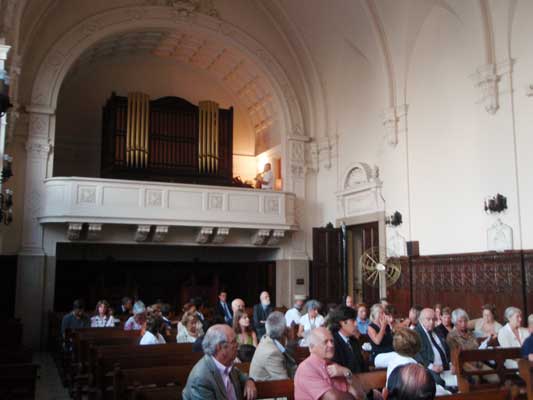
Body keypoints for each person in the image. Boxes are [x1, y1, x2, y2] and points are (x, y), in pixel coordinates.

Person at [182, 324, 257, 400]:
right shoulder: (201, 379)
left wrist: (249, 381)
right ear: (220, 347)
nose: (237, 345)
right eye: (233, 341)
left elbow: (239, 373)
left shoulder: (226, 363)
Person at [294, 327, 366, 400]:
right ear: (312, 347)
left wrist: (347, 372)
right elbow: (333, 398)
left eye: (332, 341)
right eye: (325, 342)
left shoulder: (336, 367)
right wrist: (353, 397)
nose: (331, 345)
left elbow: (361, 395)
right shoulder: (306, 369)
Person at [250, 311, 297, 381]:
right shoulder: (272, 353)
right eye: (286, 327)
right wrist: (290, 340)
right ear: (284, 331)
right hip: (267, 390)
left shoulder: (266, 338)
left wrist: (290, 341)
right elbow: (284, 382)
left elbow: (289, 359)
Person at [414, 308, 450, 386]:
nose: (432, 322)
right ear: (421, 320)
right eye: (428, 319)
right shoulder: (416, 333)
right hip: (430, 369)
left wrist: (451, 363)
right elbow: (416, 354)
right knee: (440, 382)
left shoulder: (438, 330)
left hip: (446, 367)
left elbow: (447, 349)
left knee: (468, 379)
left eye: (434, 319)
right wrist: (431, 366)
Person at [329, 305, 366, 373]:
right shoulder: (333, 343)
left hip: (360, 380)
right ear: (343, 323)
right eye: (353, 321)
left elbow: (362, 366)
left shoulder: (353, 340)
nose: (356, 324)